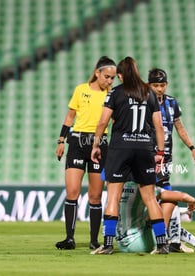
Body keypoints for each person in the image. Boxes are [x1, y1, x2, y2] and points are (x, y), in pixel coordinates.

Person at [90, 56, 168, 255]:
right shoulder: (149, 93)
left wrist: (96, 145)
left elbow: (102, 122)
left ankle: (107, 245)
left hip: (120, 149)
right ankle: (161, 245)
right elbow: (159, 126)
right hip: (144, 148)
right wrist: (160, 152)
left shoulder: (115, 93)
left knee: (113, 198)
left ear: (121, 75)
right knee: (150, 198)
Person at [55, 56, 117, 250]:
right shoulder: (81, 90)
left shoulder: (112, 95)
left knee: (95, 196)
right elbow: (69, 117)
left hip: (100, 143)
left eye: (112, 78)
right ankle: (69, 238)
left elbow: (115, 121)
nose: (109, 81)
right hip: (78, 142)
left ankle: (94, 240)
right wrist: (61, 140)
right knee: (72, 192)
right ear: (97, 73)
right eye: (107, 76)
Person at [148, 68, 195, 253]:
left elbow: (179, 127)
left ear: (167, 85)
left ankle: (172, 241)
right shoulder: (144, 103)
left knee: (166, 195)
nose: (159, 89)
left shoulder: (171, 103)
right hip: (148, 157)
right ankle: (174, 241)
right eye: (155, 85)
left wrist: (192, 148)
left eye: (162, 85)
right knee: (161, 196)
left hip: (166, 159)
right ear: (149, 85)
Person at [116, 181, 195, 253]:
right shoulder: (142, 186)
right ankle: (170, 242)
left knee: (152, 215)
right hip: (137, 244)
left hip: (121, 244)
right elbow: (182, 197)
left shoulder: (117, 185)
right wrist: (193, 200)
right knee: (169, 203)